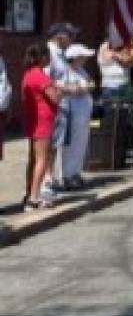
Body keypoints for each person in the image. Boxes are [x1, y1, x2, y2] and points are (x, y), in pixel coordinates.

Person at [20, 44, 60, 210]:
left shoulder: (28, 74)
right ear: (42, 57)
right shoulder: (40, 76)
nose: (50, 59)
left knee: (33, 158)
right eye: (48, 55)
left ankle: (29, 193)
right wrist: (60, 89)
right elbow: (55, 98)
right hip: (43, 120)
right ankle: (34, 198)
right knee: (42, 159)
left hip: (32, 119)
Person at [55, 43, 97, 190]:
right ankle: (65, 175)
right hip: (71, 113)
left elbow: (91, 82)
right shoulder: (64, 71)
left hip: (83, 114)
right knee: (69, 145)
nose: (85, 59)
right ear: (74, 58)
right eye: (82, 57)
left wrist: (87, 86)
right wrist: (80, 89)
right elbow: (60, 88)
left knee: (81, 143)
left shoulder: (81, 71)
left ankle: (75, 172)